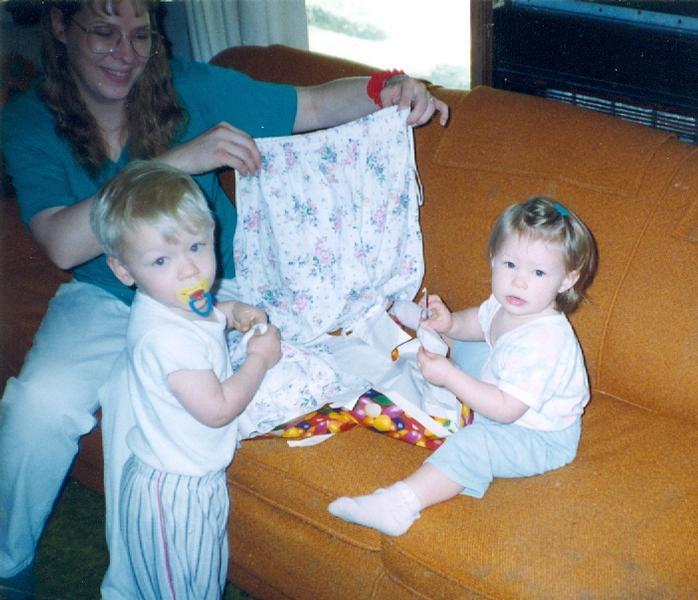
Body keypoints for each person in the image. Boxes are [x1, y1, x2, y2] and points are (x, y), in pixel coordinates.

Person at [0, 0, 449, 596]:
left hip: (210, 289)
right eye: (104, 32)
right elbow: (60, 242)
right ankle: (9, 563)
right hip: (105, 291)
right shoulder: (30, 118)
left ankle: (137, 587)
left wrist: (385, 88)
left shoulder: (187, 87)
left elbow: (312, 105)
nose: (126, 54)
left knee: (144, 412)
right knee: (38, 407)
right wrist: (179, 162)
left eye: (140, 35)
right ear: (60, 26)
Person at [328, 197, 598, 536]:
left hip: (538, 435)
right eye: (510, 264)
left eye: (539, 272)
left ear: (566, 280)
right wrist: (451, 324)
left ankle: (398, 505)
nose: (518, 282)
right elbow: (481, 323)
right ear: (493, 258)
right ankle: (424, 324)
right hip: (504, 387)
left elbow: (506, 410)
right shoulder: (509, 304)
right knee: (466, 344)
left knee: (475, 445)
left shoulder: (544, 342)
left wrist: (450, 377)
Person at [90, 159, 280, 597]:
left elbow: (205, 315)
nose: (189, 270)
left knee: (200, 579)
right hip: (174, 493)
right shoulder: (165, 337)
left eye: (196, 246)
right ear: (124, 271)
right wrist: (259, 359)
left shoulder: (174, 302)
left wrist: (232, 312)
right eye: (161, 259)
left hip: (188, 478)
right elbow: (217, 409)